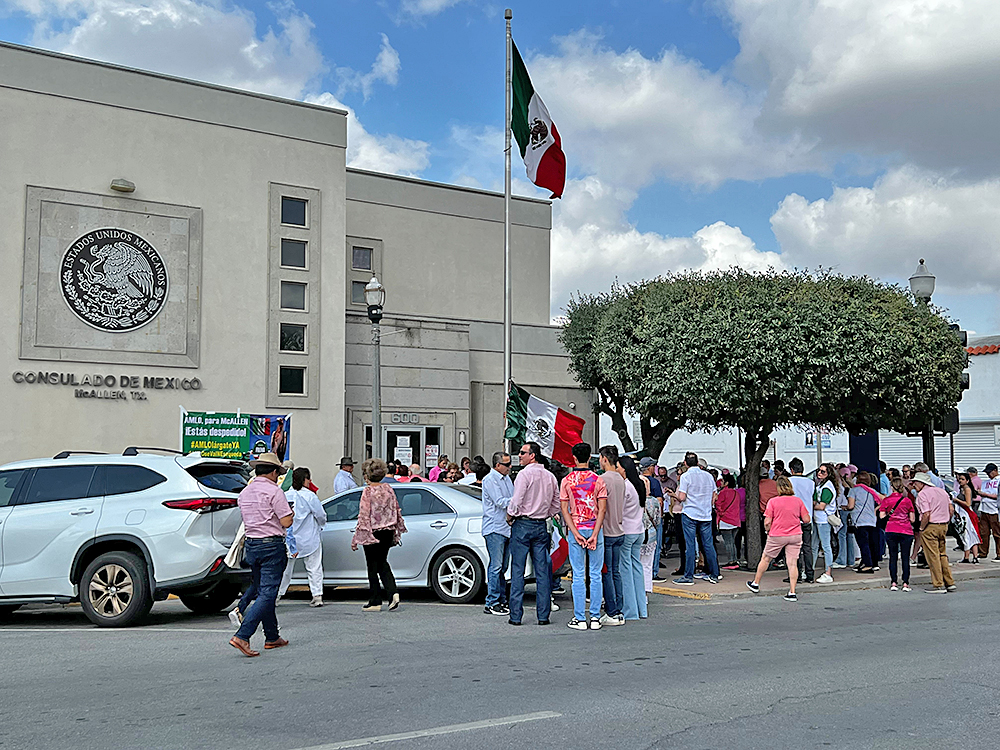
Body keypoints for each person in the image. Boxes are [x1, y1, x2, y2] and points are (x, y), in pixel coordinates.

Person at [229, 452, 294, 657]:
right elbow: (286, 521)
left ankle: (272, 636)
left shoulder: (245, 492)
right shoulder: (274, 491)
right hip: (271, 544)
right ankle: (243, 635)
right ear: (274, 472)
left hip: (252, 544)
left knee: (263, 588)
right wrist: (290, 513)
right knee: (268, 593)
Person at [506, 442, 560, 626]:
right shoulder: (550, 476)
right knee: (542, 572)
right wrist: (547, 513)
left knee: (518, 570)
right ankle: (543, 615)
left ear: (532, 455)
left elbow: (516, 500)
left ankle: (515, 615)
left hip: (523, 523)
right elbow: (556, 502)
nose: (519, 455)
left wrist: (510, 515)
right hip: (540, 524)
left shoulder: (524, 474)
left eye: (523, 453)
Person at [559, 442, 607, 630]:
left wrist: (574, 532)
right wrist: (595, 533)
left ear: (574, 458)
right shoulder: (598, 480)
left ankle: (579, 618)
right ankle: (595, 617)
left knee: (578, 575)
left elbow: (565, 509)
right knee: (595, 574)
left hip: (576, 528)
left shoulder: (567, 481)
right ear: (589, 457)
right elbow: (602, 510)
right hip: (595, 528)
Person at [351, 458, 407, 611]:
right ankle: (392, 592)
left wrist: (357, 537)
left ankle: (375, 600)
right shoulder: (388, 488)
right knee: (382, 562)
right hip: (388, 531)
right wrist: (397, 528)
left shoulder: (368, 491)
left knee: (372, 566)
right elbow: (396, 509)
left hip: (373, 531)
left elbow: (364, 515)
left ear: (367, 475)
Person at [746, 476, 811, 602]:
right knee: (792, 563)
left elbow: (767, 521)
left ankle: (756, 583)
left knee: (766, 558)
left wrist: (768, 530)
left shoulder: (773, 501)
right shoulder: (798, 501)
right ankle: (792, 592)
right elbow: (807, 519)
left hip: (777, 535)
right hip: (795, 535)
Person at [277, 467, 326, 607]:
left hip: (289, 537)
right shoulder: (310, 496)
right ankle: (317, 596)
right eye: (308, 478)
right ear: (305, 479)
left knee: (285, 570)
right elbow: (320, 515)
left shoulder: (285, 495)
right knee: (314, 567)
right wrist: (322, 525)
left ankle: (277, 596)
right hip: (309, 537)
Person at [673, 452, 720, 586]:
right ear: (698, 462)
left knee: (690, 546)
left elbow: (682, 497)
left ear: (685, 463)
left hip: (690, 513)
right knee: (708, 545)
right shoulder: (708, 476)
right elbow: (714, 495)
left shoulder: (685, 476)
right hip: (705, 514)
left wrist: (675, 496)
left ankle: (688, 576)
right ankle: (714, 573)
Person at [912, 471, 957, 593]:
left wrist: (921, 528)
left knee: (932, 556)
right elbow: (951, 509)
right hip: (943, 524)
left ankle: (938, 584)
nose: (914, 485)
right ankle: (949, 582)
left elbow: (926, 513)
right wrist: (947, 520)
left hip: (930, 525)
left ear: (921, 483)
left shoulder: (922, 494)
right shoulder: (942, 491)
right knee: (942, 554)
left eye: (915, 482)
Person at [481, 451, 514, 616]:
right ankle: (492, 602)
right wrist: (519, 501)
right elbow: (500, 502)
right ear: (498, 465)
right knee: (496, 566)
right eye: (507, 464)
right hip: (495, 527)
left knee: (503, 567)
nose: (510, 467)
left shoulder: (507, 479)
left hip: (506, 527)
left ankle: (501, 599)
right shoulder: (490, 480)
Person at [598, 446, 626, 627]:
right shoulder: (620, 479)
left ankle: (611, 611)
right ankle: (618, 609)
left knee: (606, 573)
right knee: (616, 572)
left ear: (604, 459)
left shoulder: (602, 479)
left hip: (607, 531)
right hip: (619, 530)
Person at [618, 456, 648, 619]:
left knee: (625, 570)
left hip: (627, 531)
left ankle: (630, 610)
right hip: (639, 530)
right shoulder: (639, 484)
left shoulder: (625, 486)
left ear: (623, 469)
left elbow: (619, 509)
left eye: (617, 467)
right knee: (637, 568)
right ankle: (641, 609)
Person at [879, 476, 916, 591]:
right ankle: (905, 583)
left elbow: (882, 516)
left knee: (893, 557)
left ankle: (894, 582)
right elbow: (912, 519)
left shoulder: (886, 500)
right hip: (906, 530)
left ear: (891, 487)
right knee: (905, 557)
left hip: (891, 529)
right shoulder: (907, 501)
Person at [803, 459, 835, 583]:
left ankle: (828, 572)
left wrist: (811, 506)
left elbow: (821, 506)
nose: (819, 473)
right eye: (819, 471)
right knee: (814, 545)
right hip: (818, 519)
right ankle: (810, 569)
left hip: (823, 520)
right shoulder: (821, 486)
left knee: (825, 546)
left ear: (828, 474)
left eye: (822, 472)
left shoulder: (827, 487)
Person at [787, 458, 817, 585]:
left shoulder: (789, 481)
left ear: (791, 470)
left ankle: (796, 575)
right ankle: (810, 575)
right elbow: (814, 499)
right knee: (807, 547)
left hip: (793, 518)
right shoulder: (811, 483)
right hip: (807, 517)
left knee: (794, 549)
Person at [847, 470, 882, 574]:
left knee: (863, 544)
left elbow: (851, 506)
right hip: (871, 520)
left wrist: (845, 507)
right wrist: (875, 510)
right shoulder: (872, 491)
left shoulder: (853, 491)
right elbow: (885, 500)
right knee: (871, 543)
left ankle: (867, 565)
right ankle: (870, 563)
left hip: (859, 521)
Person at [638, 458, 666, 580]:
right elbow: (660, 502)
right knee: (655, 546)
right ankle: (653, 572)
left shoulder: (636, 481)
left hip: (638, 520)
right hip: (652, 520)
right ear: (649, 468)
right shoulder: (654, 482)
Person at [953, 473, 981, 564]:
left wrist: (956, 500)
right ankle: (967, 556)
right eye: (959, 479)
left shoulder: (967, 489)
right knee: (966, 535)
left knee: (970, 534)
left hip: (967, 514)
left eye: (962, 479)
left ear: (967, 480)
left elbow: (968, 503)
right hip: (962, 514)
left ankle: (974, 556)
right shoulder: (961, 489)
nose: (960, 481)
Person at [716, 474, 741, 570]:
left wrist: (721, 513)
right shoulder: (736, 493)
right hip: (735, 520)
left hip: (725, 520)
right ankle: (734, 560)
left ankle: (731, 561)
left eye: (722, 481)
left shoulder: (723, 493)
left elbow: (718, 504)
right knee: (732, 542)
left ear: (726, 483)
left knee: (728, 542)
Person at [976, 463, 1000, 561]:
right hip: (984, 509)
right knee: (983, 532)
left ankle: (999, 553)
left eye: (990, 472)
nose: (988, 474)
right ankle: (982, 552)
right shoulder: (985, 482)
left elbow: (997, 496)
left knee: (997, 533)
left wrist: (985, 494)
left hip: (995, 510)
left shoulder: (999, 481)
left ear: (995, 470)